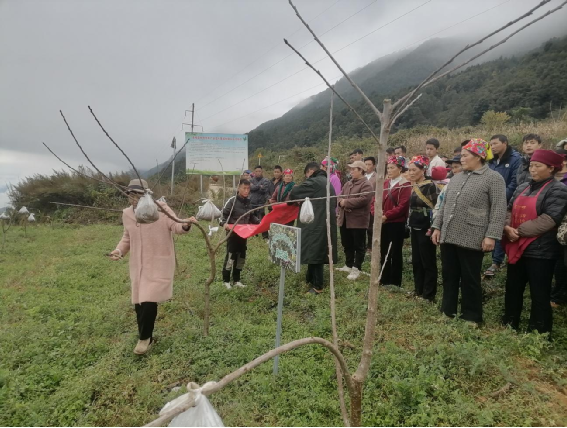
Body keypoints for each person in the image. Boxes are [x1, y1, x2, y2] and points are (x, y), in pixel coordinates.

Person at [109, 179, 197, 355]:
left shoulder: (160, 208)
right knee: (139, 303)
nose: (133, 198)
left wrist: (186, 224)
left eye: (137, 195)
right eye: (131, 195)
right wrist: (119, 251)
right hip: (138, 265)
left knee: (149, 300)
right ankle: (145, 334)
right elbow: (127, 237)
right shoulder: (127, 214)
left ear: (145, 194)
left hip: (157, 263)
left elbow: (175, 225)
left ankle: (144, 339)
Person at [432, 139, 508, 325]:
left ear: (479, 156)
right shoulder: (456, 177)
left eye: (465, 155)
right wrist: (437, 226)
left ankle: (472, 317)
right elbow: (444, 205)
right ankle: (447, 311)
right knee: (449, 276)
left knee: (470, 279)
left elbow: (499, 209)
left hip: (473, 236)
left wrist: (491, 236)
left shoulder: (493, 178)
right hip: (449, 235)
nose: (461, 159)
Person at [503, 150, 567, 335]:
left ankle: (539, 331)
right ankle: (509, 324)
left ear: (551, 168)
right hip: (516, 246)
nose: (533, 169)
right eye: (531, 165)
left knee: (539, 292)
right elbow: (509, 209)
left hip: (541, 250)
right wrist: (507, 228)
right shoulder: (522, 186)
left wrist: (518, 231)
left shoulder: (558, 190)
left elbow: (550, 218)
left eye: (538, 166)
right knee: (513, 288)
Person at [290, 162, 338, 295]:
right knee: (316, 251)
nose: (307, 178)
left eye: (307, 175)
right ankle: (310, 278)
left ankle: (318, 286)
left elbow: (294, 193)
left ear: (310, 171)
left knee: (316, 253)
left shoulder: (314, 182)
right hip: (325, 222)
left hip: (316, 223)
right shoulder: (327, 183)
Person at [484, 134, 523, 277]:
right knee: (493, 226)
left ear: (505, 143)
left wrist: (499, 197)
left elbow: (514, 182)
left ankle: (497, 261)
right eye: (491, 144)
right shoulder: (492, 160)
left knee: (501, 227)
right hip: (491, 199)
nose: (492, 147)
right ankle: (494, 257)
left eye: (495, 143)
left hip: (506, 199)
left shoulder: (515, 159)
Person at [408, 156, 440, 301]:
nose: (411, 173)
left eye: (414, 170)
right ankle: (418, 290)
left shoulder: (430, 186)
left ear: (423, 170)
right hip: (414, 224)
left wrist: (434, 227)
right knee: (417, 260)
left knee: (427, 260)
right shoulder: (414, 186)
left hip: (426, 226)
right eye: (409, 170)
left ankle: (429, 294)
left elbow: (437, 207)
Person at [220, 179, 261, 290]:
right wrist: (224, 224)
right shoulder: (232, 201)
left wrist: (259, 223)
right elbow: (222, 216)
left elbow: (251, 216)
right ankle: (226, 280)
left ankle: (236, 280)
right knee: (231, 257)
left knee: (241, 257)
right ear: (239, 188)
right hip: (233, 235)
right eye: (244, 188)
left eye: (248, 188)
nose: (246, 191)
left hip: (244, 235)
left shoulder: (248, 202)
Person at [336, 161, 374, 281]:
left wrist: (346, 202)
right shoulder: (348, 183)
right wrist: (340, 202)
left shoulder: (366, 185)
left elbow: (363, 199)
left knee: (359, 245)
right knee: (347, 243)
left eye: (354, 169)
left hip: (358, 220)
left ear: (361, 170)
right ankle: (348, 264)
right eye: (351, 169)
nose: (351, 171)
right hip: (345, 219)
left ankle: (357, 267)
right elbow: (340, 196)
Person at [380, 156, 411, 287]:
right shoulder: (385, 183)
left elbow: (402, 206)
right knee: (383, 250)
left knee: (395, 252)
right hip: (382, 222)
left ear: (400, 168)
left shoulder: (405, 185)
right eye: (388, 168)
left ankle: (395, 281)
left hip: (396, 223)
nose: (389, 170)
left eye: (392, 168)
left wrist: (386, 215)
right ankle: (384, 278)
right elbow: (375, 200)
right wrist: (376, 213)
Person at [434, 155, 463, 220]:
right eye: (452, 168)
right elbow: (439, 205)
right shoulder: (447, 186)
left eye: (456, 167)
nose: (454, 171)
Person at [250, 165, 272, 239]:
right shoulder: (251, 180)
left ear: (262, 172)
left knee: (262, 220)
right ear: (254, 172)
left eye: (259, 171)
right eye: (256, 171)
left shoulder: (266, 180)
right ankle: (254, 234)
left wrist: (255, 187)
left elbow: (264, 189)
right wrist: (259, 186)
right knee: (252, 219)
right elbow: (251, 188)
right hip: (252, 203)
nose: (258, 172)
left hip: (261, 203)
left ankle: (265, 236)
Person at [364, 156, 377, 252]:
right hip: (361, 205)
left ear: (374, 166)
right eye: (365, 164)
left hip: (371, 204)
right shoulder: (362, 176)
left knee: (371, 227)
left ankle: (370, 246)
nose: (367, 166)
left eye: (369, 164)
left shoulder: (377, 177)